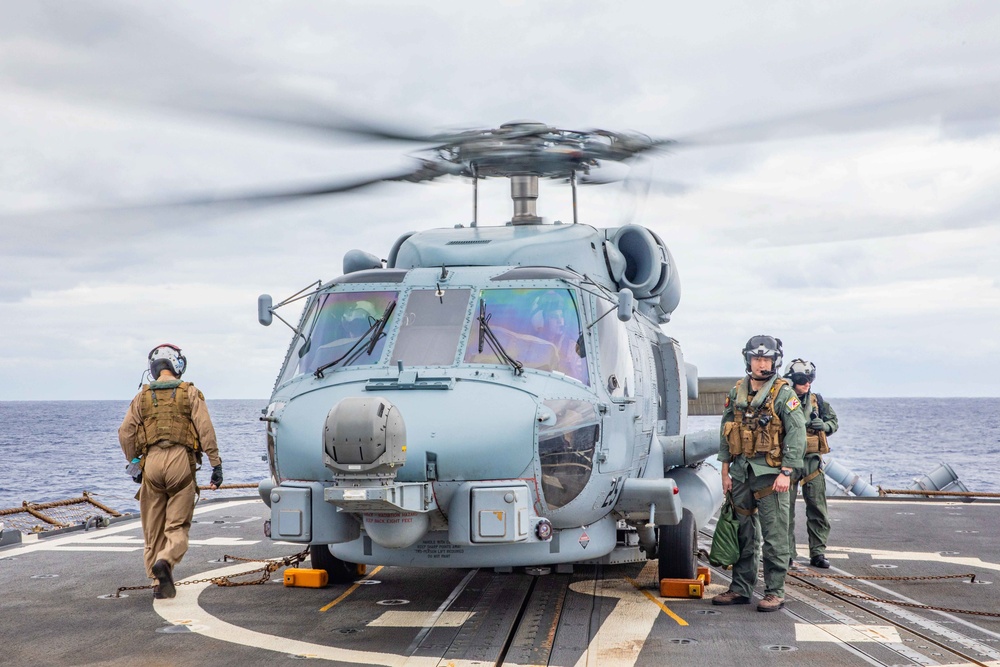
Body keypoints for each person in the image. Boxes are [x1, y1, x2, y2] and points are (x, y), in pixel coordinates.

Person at [118, 344, 223, 600]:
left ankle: (157, 583)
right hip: (181, 464)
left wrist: (134, 463)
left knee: (152, 530)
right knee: (176, 527)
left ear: (153, 369)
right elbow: (205, 429)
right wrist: (215, 464)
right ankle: (165, 560)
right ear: (177, 365)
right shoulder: (190, 393)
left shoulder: (141, 397)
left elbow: (125, 432)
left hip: (151, 463)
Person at [712, 335, 806, 612]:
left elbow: (797, 434)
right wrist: (725, 469)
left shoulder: (784, 394)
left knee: (775, 536)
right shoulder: (737, 391)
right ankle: (740, 588)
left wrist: (786, 471)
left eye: (766, 359)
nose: (761, 364)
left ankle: (775, 591)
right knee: (742, 533)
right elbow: (726, 430)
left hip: (771, 475)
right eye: (757, 359)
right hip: (740, 472)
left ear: (774, 361)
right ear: (748, 360)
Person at [784, 358, 838, 569]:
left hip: (812, 463)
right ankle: (786, 553)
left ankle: (818, 552)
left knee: (818, 509)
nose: (807, 384)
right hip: (788, 463)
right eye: (802, 379)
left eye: (810, 379)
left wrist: (823, 425)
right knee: (784, 512)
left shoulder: (817, 401)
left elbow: (834, 422)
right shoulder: (781, 399)